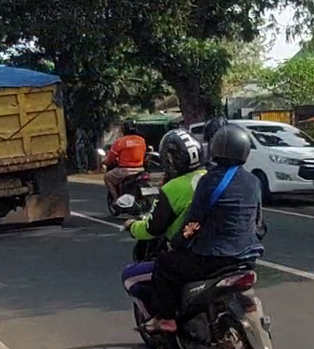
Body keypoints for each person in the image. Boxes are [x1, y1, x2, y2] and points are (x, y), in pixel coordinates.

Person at [144, 122, 265, 331]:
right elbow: (259, 223)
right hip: (247, 258)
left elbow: (193, 223)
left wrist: (176, 244)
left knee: (164, 264)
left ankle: (166, 319)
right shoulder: (253, 181)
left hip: (212, 259)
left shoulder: (209, 181)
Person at [127, 129, 205, 244]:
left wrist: (132, 227)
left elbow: (152, 229)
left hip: (183, 249)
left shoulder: (172, 188)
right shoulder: (210, 177)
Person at [102, 124, 148, 205]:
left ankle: (116, 200)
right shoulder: (141, 140)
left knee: (107, 177)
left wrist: (105, 162)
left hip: (125, 170)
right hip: (140, 169)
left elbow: (111, 158)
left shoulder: (120, 141)